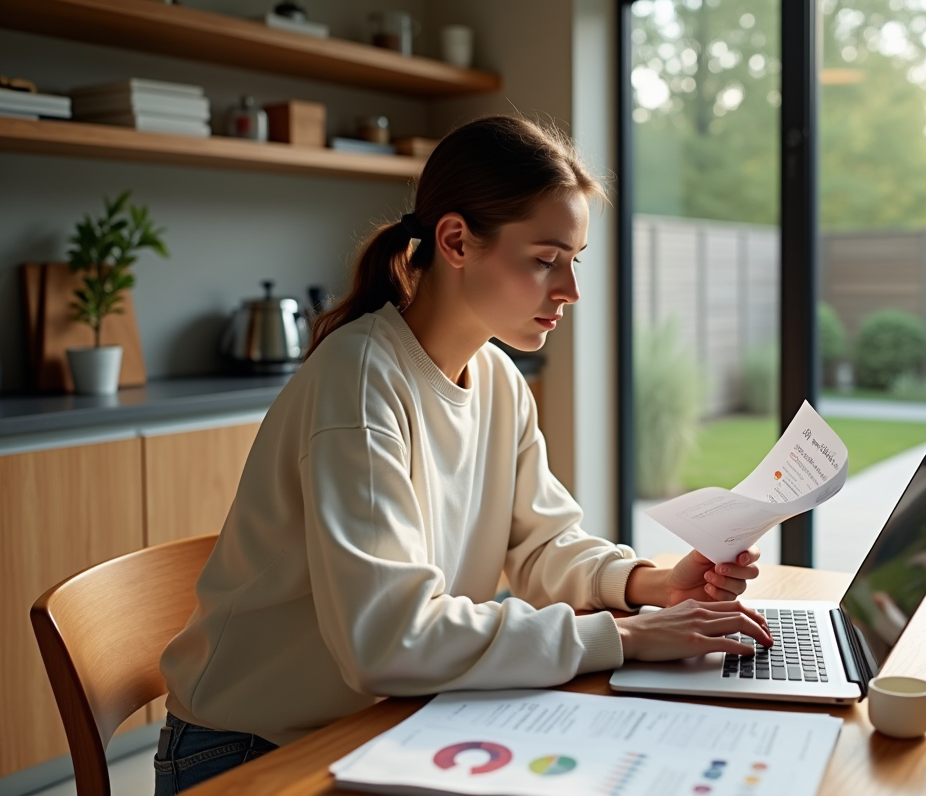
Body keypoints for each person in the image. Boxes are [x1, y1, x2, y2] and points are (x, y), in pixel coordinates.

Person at [153, 115, 772, 795]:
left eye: (574, 259)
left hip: (391, 718)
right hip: (254, 750)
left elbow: (541, 546)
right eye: (544, 259)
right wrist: (624, 639)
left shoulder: (499, 380)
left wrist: (648, 586)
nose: (570, 290)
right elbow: (386, 640)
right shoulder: (361, 382)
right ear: (455, 242)